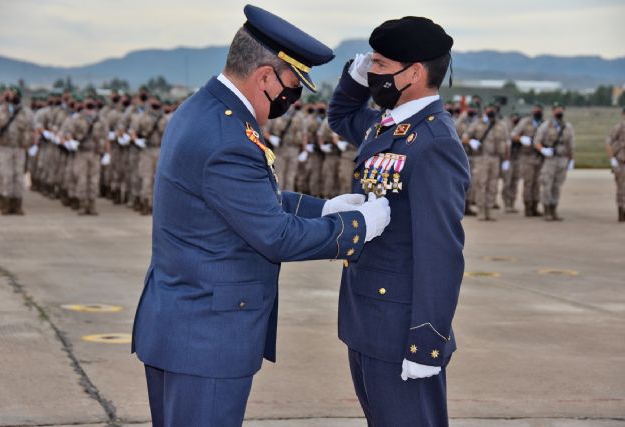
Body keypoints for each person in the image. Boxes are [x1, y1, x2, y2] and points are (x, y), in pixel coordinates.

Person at [131, 5, 391, 426]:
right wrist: (359, 227)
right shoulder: (227, 136)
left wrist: (323, 208)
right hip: (207, 341)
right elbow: (275, 235)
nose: (294, 99)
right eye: (292, 86)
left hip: (183, 325)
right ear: (265, 77)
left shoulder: (204, 110)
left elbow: (240, 203)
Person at [328, 16, 469, 427]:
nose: (374, 75)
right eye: (372, 64)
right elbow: (340, 116)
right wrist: (354, 80)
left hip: (400, 327)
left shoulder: (434, 142)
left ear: (415, 73)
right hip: (366, 319)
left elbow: (441, 251)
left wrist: (426, 342)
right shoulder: (384, 126)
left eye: (381, 66)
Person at [0, 86, 34, 215]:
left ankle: (17, 205)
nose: (11, 97)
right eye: (9, 94)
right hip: (4, 148)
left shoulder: (26, 112)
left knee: (18, 177)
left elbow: (32, 129)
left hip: (20, 149)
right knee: (5, 175)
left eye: (13, 94)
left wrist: (32, 144)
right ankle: (5, 204)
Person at [463, 103, 511, 221]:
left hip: (495, 158)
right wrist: (471, 142)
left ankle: (489, 210)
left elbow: (507, 142)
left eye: (493, 109)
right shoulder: (477, 123)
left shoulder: (501, 125)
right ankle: (481, 211)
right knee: (481, 184)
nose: (491, 110)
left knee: (493, 185)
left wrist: (506, 159)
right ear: (485, 110)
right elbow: (465, 137)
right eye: (489, 108)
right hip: (481, 158)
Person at [534, 103, 575, 221]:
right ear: (552, 112)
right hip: (550, 160)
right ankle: (546, 210)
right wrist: (543, 150)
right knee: (547, 184)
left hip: (562, 159)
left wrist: (571, 159)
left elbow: (571, 144)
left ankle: (554, 210)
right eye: (557, 109)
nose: (559, 111)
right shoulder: (546, 126)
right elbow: (536, 141)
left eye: (561, 109)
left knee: (557, 186)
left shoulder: (568, 127)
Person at [512, 104, 545, 217]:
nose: (537, 111)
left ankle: (535, 206)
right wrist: (521, 138)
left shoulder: (544, 123)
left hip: (539, 157)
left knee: (537, 183)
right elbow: (513, 135)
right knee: (528, 183)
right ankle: (528, 207)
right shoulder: (525, 122)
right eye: (536, 108)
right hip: (527, 157)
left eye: (539, 109)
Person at [605, 107, 625, 222]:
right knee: (621, 188)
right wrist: (612, 158)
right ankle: (621, 213)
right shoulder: (618, 128)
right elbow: (608, 143)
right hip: (621, 162)